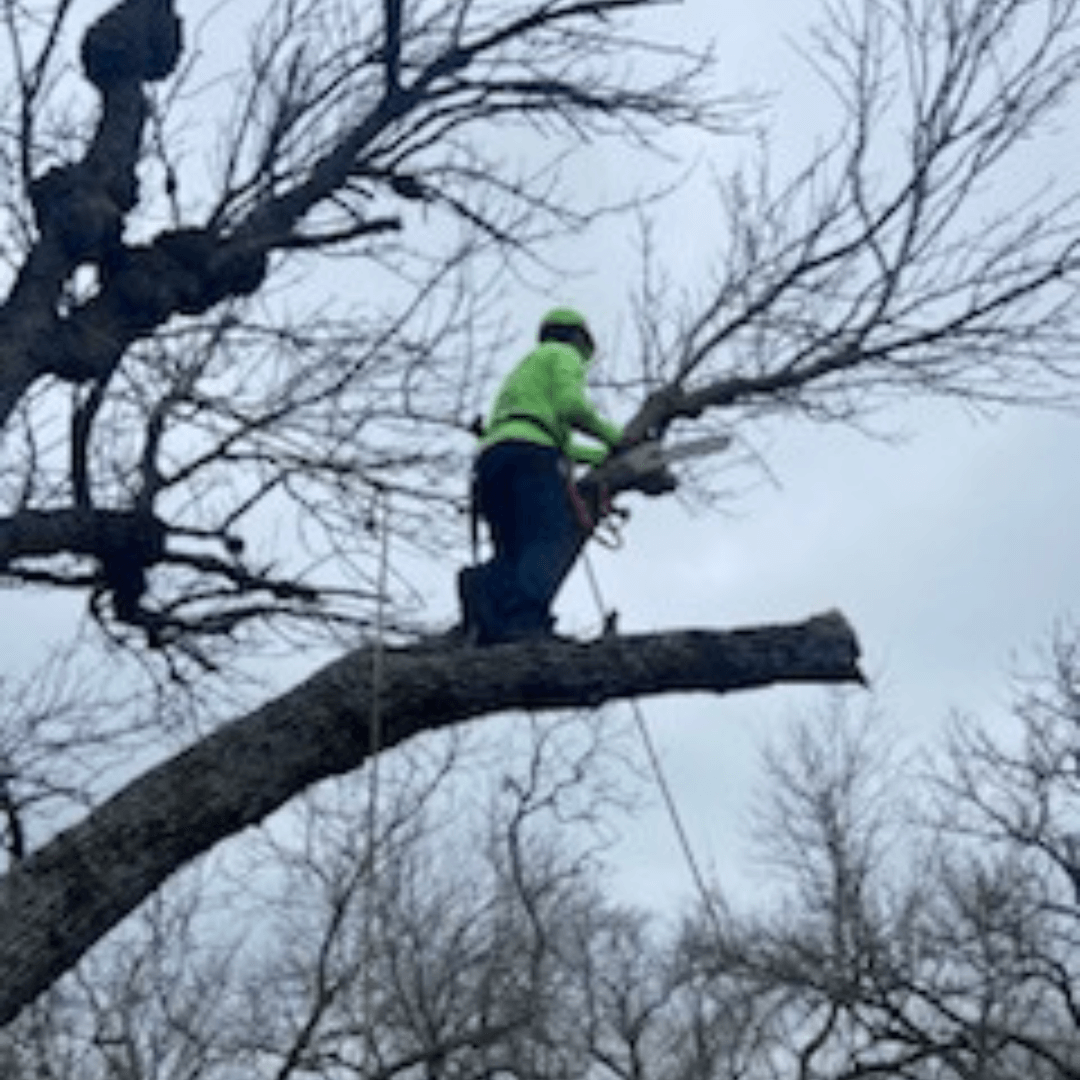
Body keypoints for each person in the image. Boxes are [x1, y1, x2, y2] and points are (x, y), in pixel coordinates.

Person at [458, 308, 624, 644]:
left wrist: (601, 456)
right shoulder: (563, 355)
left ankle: (487, 601)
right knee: (547, 537)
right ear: (577, 338)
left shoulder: (524, 373)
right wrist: (617, 439)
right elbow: (571, 407)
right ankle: (525, 621)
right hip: (532, 459)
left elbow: (554, 438)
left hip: (494, 458)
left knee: (512, 549)